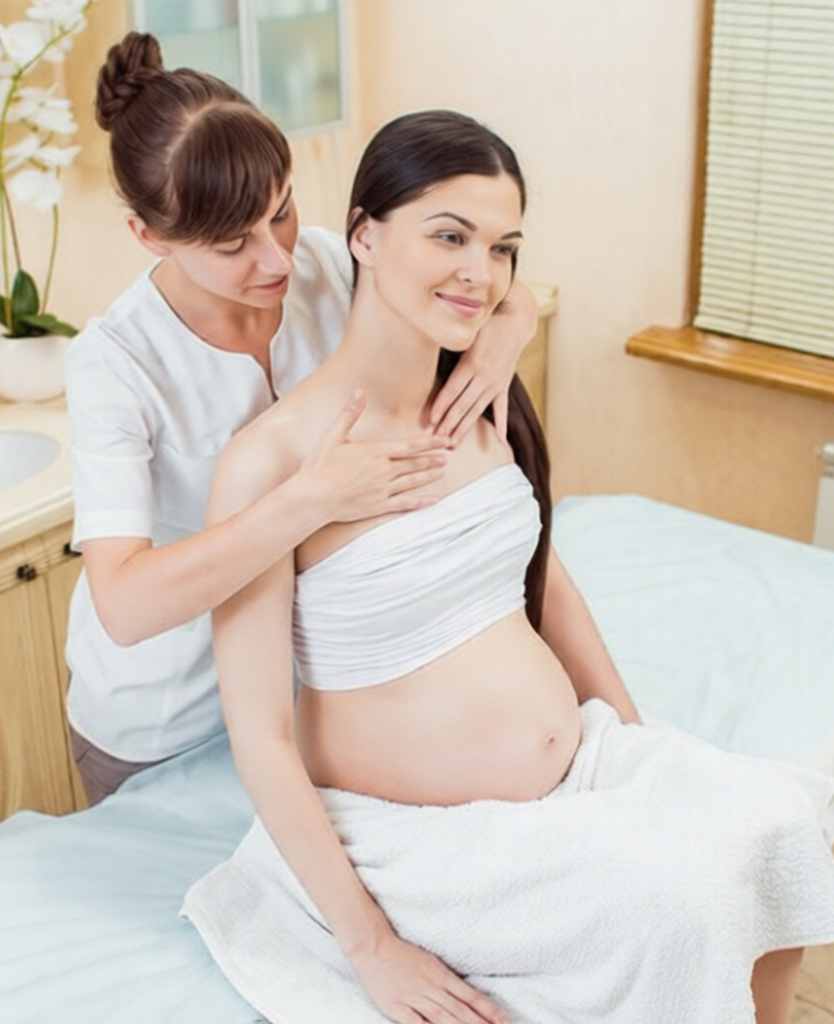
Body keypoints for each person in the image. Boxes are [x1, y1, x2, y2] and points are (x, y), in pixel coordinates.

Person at [182, 110, 834, 1024]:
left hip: (576, 770)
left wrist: (630, 733)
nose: (479, 272)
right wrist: (371, 947)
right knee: (678, 910)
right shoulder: (272, 461)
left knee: (776, 829)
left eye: (502, 249)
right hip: (423, 840)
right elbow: (258, 732)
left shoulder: (481, 403)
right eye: (449, 236)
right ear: (365, 235)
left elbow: (543, 577)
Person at [63, 34, 538, 804]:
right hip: (165, 722)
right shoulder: (115, 363)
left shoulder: (323, 265)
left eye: (280, 213)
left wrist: (512, 326)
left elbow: (465, 261)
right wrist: (309, 502)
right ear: (149, 237)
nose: (276, 260)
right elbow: (124, 604)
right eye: (231, 245)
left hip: (301, 693)